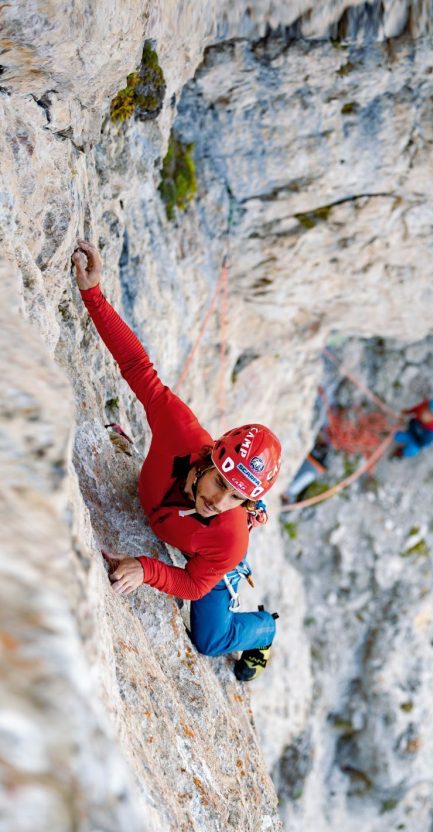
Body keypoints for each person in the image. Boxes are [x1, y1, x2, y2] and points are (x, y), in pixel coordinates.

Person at [71, 240, 281, 682]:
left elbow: (193, 584)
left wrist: (145, 569)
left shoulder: (228, 537)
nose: (219, 501)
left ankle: (262, 631)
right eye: (222, 484)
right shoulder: (180, 431)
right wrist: (93, 293)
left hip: (209, 561)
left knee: (208, 640)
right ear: (209, 459)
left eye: (237, 498)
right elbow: (136, 365)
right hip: (186, 529)